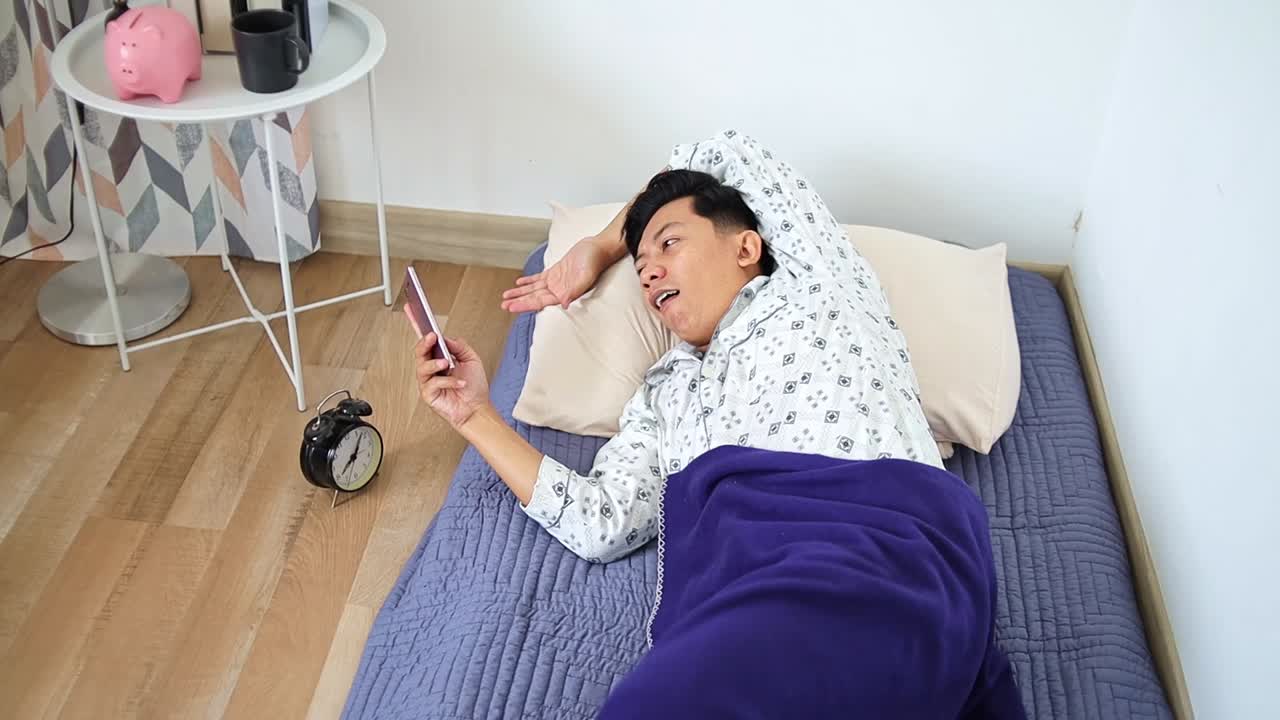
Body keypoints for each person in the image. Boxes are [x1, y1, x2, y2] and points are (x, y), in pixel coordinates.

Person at [410, 129, 942, 563]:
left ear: (747, 246)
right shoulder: (665, 394)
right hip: (754, 589)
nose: (650, 272)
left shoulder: (812, 283)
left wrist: (601, 246)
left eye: (669, 244)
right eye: (639, 269)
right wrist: (473, 415)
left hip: (887, 537)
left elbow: (720, 152)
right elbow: (601, 523)